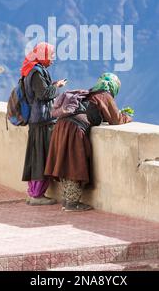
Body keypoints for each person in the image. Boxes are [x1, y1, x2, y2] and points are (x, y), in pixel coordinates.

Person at [44, 72, 132, 212]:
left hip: (61, 126)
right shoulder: (105, 95)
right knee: (74, 165)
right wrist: (127, 117)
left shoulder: (90, 93)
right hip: (74, 129)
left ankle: (67, 201)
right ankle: (72, 204)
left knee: (66, 164)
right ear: (113, 86)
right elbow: (116, 120)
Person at [21, 42, 67, 205]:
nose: (53, 59)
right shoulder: (36, 73)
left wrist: (53, 85)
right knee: (41, 158)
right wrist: (57, 86)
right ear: (43, 55)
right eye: (51, 55)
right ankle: (36, 195)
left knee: (38, 156)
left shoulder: (33, 70)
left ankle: (34, 192)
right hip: (41, 121)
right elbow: (43, 94)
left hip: (38, 120)